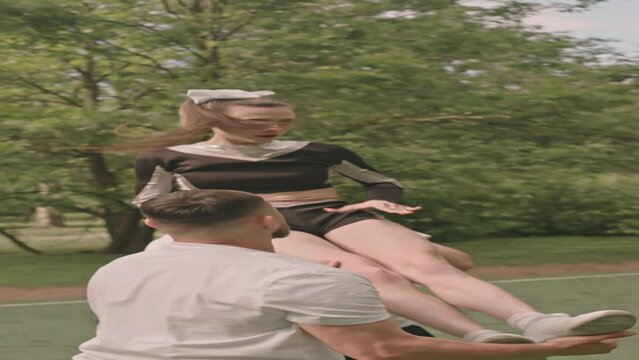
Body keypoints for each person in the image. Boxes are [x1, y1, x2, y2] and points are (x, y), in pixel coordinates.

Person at [131, 89, 636, 343]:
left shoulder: (319, 149)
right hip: (261, 223)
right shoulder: (172, 157)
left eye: (282, 122)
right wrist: (199, 221)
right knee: (372, 275)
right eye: (263, 123)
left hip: (332, 213)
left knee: (430, 266)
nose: (275, 130)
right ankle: (476, 337)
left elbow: (379, 180)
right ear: (216, 120)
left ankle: (538, 323)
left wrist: (375, 200)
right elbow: (147, 204)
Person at [74, 189, 632, 360]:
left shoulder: (116, 271)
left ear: (153, 224)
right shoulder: (311, 279)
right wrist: (542, 352)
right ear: (272, 221)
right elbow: (383, 353)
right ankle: (528, 327)